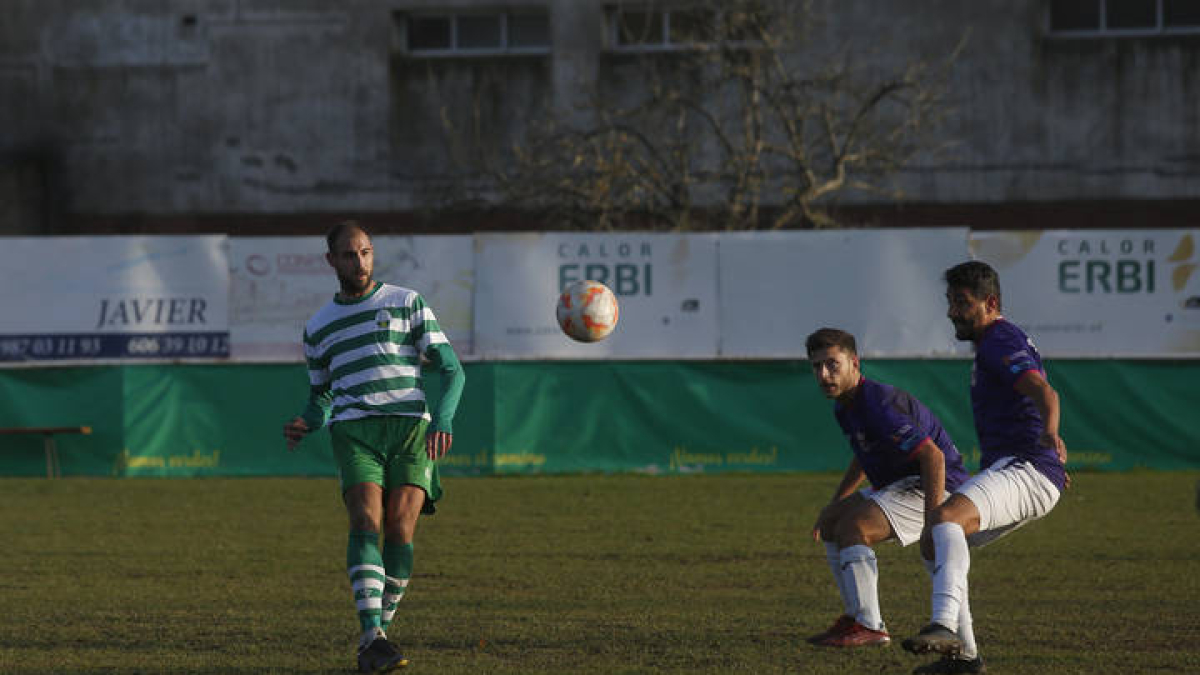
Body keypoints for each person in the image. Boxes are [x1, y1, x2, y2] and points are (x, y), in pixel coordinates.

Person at [283, 221, 466, 674]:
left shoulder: (406, 301)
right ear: (332, 261)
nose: (359, 262)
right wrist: (308, 420)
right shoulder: (319, 326)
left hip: (409, 430)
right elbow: (322, 394)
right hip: (354, 430)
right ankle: (373, 636)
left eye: (365, 252)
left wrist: (442, 418)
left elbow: (452, 369)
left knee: (400, 529)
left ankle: (375, 638)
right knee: (366, 518)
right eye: (349, 255)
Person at [902, 261, 1068, 674]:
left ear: (990, 303)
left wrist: (1050, 435)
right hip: (1022, 469)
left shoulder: (998, 339)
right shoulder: (992, 342)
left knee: (944, 519)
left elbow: (1045, 393)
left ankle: (943, 625)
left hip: (1029, 468)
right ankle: (966, 659)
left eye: (962, 302)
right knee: (935, 542)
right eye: (950, 302)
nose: (952, 312)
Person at [805, 328, 969, 648]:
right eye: (816, 367)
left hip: (938, 485)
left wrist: (933, 523)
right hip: (904, 484)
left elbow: (933, 458)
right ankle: (855, 618)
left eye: (832, 364)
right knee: (831, 522)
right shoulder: (845, 405)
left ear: (854, 363)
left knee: (855, 526)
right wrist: (834, 503)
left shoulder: (878, 404)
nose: (824, 374)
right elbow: (865, 455)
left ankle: (871, 626)